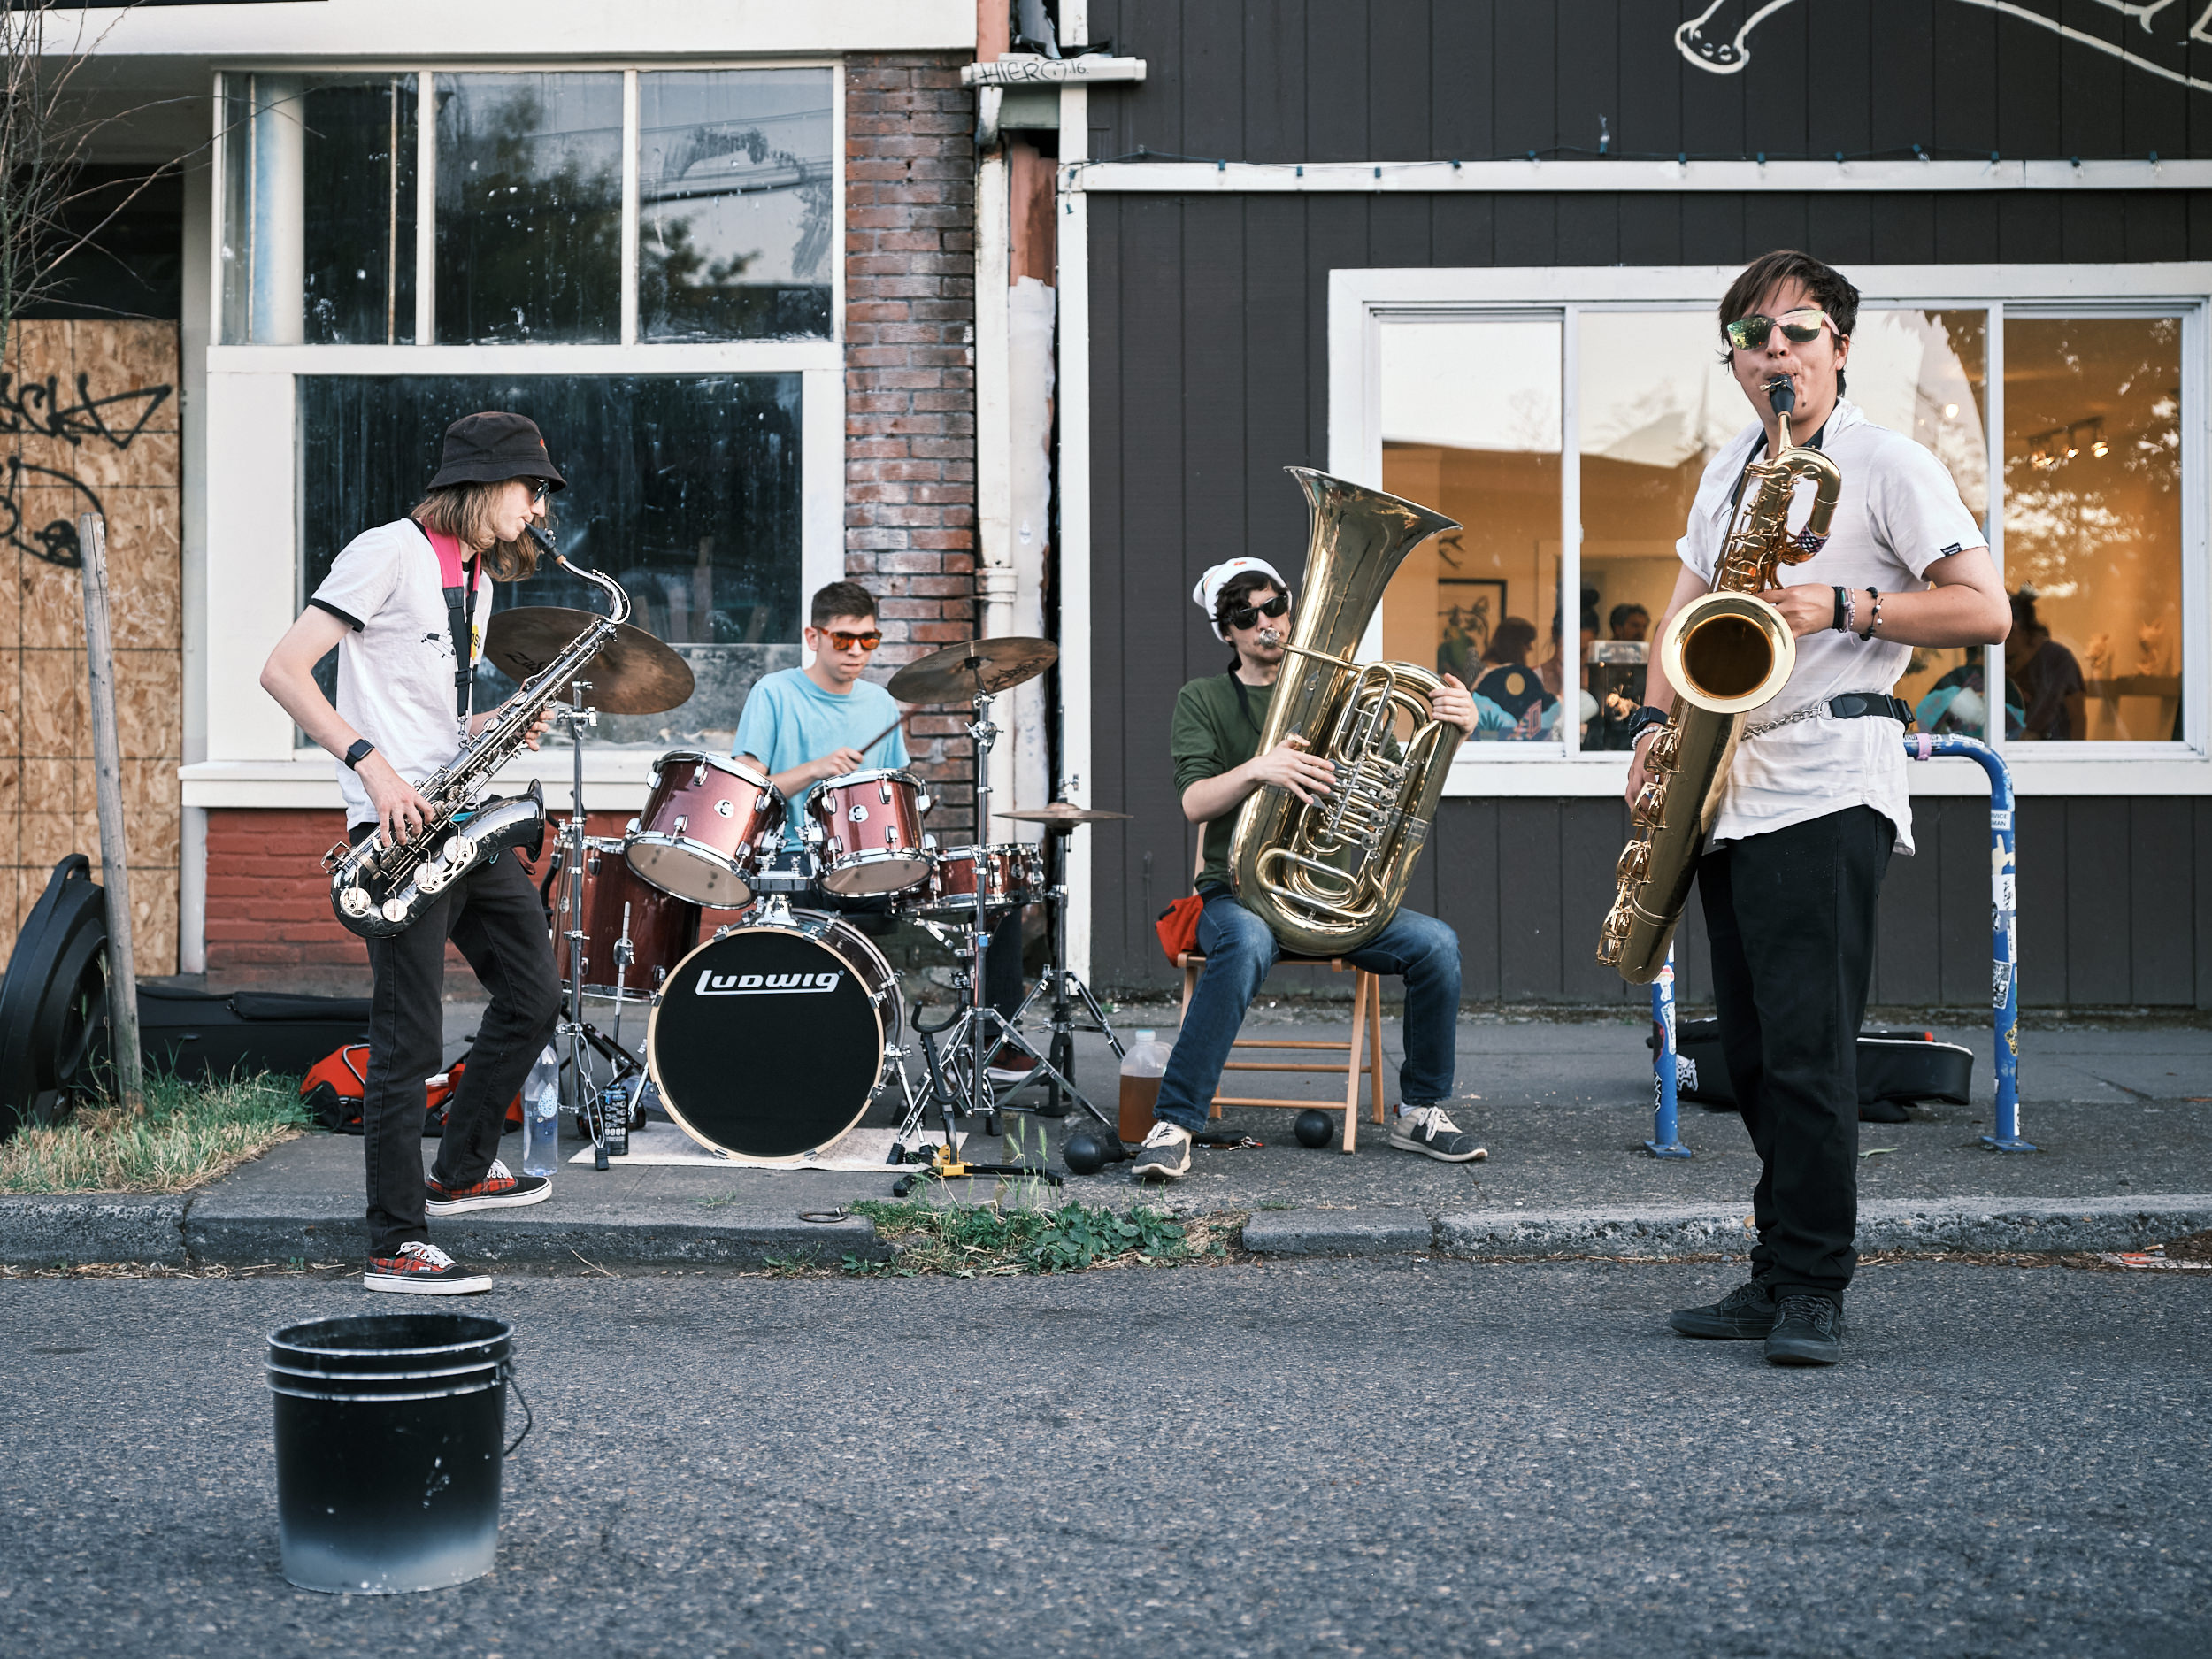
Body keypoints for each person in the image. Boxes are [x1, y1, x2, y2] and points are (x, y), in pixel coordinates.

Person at [1626, 251, 2009, 1365]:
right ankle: (1771, 1267)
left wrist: (1839, 600)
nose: (1774, 353)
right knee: (1744, 1055)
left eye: (1795, 332)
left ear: (1840, 345)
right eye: (1751, 337)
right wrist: (1651, 731)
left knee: (1805, 1050)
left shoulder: (1889, 463)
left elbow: (1982, 609)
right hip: (1725, 781)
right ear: (1735, 360)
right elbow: (1684, 613)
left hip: (1829, 776)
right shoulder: (1724, 470)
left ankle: (1811, 1288)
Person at [260, 411, 567, 1295]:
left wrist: (490, 727)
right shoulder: (385, 551)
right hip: (396, 830)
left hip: (460, 819)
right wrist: (372, 769)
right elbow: (283, 670)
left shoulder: (473, 575)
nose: (537, 508)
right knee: (409, 1038)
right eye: (528, 488)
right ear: (480, 485)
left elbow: (426, 711)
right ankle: (395, 1242)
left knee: (533, 994)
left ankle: (462, 1168)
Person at [1132, 558, 1486, 1182]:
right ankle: (1175, 1123)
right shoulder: (1204, 698)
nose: (1266, 622)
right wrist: (1259, 769)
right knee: (1244, 942)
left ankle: (1419, 1111)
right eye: (1246, 615)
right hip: (1239, 894)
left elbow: (1399, 783)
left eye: (1274, 606)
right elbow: (1193, 803)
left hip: (1329, 898)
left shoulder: (1345, 692)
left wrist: (1455, 727)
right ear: (1227, 633)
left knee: (1439, 945)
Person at [734, 580, 1033, 1079]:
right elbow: (746, 792)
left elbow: (898, 796)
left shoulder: (879, 702)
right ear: (814, 637)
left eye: (868, 640)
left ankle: (993, 1047)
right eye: (843, 639)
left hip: (875, 863)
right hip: (796, 863)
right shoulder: (774, 693)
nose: (856, 652)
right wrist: (814, 769)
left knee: (992, 892)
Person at [2007, 592, 2084, 741]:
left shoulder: (2058, 659)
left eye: (2005, 638)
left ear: (2017, 630)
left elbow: (2077, 716)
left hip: (2052, 750)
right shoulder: (2005, 660)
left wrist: (2076, 757)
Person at [1472, 616, 1557, 738]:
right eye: (1527, 642)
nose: (1531, 648)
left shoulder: (1484, 668)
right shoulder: (1507, 675)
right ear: (1514, 644)